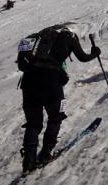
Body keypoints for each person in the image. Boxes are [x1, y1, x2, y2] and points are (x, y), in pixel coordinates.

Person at [16, 25, 99, 174]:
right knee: (56, 117)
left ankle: (28, 162)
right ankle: (45, 153)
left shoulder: (31, 37)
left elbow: (22, 64)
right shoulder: (69, 37)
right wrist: (95, 52)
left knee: (33, 123)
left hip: (28, 85)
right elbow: (83, 57)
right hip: (51, 84)